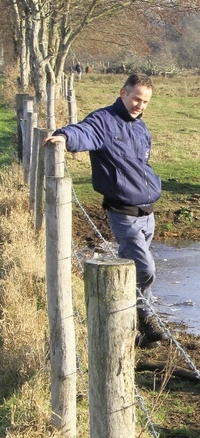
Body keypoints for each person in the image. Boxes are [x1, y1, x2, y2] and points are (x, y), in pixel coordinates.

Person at [44, 73, 168, 347]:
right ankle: (146, 317)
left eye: (145, 101)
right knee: (145, 269)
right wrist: (64, 136)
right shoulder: (103, 121)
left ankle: (135, 328)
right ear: (123, 93)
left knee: (135, 272)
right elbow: (84, 131)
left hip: (148, 212)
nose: (140, 105)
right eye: (136, 98)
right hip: (123, 212)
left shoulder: (139, 127)